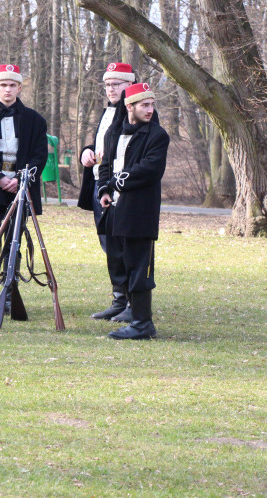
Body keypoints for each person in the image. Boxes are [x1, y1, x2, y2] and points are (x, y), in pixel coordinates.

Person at [0, 64, 48, 316]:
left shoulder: (36, 120)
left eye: (12, 85)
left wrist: (21, 179)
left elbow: (39, 155)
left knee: (13, 243)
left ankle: (9, 292)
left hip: (21, 189)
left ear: (19, 88)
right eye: (3, 85)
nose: (8, 90)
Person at [96, 83, 169, 340]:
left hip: (140, 210)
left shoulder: (157, 136)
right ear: (130, 107)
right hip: (114, 209)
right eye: (144, 105)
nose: (150, 110)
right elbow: (105, 166)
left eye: (151, 105)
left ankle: (141, 323)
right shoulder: (113, 133)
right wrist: (104, 190)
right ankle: (130, 314)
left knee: (140, 266)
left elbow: (149, 169)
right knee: (120, 261)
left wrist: (116, 182)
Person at [78, 62, 134, 320]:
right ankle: (119, 299)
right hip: (99, 185)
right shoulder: (108, 112)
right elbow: (101, 144)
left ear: (129, 85)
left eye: (116, 84)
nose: (111, 89)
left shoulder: (137, 112)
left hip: (119, 189)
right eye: (108, 85)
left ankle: (134, 302)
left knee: (126, 246)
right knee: (109, 245)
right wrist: (86, 152)